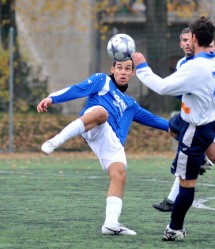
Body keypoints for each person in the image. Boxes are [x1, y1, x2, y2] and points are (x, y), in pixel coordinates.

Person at [132, 16, 215, 241]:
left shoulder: (194, 67)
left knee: (187, 182)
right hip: (209, 122)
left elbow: (162, 87)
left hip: (194, 129)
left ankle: (175, 229)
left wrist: (142, 67)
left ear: (194, 38)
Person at [37, 58, 169, 236]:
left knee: (119, 174)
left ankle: (111, 224)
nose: (123, 72)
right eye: (119, 68)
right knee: (101, 112)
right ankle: (56, 141)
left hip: (111, 138)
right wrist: (52, 98)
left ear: (132, 73)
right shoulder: (102, 80)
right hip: (93, 122)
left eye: (127, 69)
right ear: (112, 69)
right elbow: (77, 89)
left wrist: (176, 127)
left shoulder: (130, 103)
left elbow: (153, 119)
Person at [152, 30, 215, 212]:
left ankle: (173, 202)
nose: (187, 43)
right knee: (205, 149)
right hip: (193, 114)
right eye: (183, 40)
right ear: (180, 43)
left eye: (190, 39)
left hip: (208, 116)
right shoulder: (184, 63)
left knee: (199, 150)